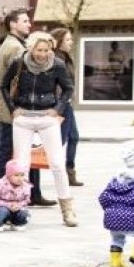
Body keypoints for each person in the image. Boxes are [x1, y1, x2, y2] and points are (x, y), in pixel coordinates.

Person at [2, 30, 78, 227]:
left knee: (57, 164)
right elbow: (3, 85)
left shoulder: (58, 65)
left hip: (47, 117)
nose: (43, 54)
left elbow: (68, 88)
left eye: (46, 50)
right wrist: (13, 109)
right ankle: (16, 208)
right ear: (31, 48)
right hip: (23, 117)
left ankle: (67, 210)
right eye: (39, 50)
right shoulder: (19, 63)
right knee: (22, 165)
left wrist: (58, 109)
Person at [0, 8, 48, 206]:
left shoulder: (12, 44)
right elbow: (22, 79)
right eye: (25, 21)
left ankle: (32, 193)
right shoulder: (15, 48)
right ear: (13, 24)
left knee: (20, 151)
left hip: (11, 108)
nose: (29, 24)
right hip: (14, 109)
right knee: (7, 152)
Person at [50, 27, 84, 186]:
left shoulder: (66, 57)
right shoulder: (56, 59)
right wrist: (59, 106)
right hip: (61, 104)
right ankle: (60, 172)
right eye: (68, 40)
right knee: (60, 140)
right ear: (59, 42)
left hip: (67, 103)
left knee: (73, 137)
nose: (71, 42)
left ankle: (69, 171)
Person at [0, 158, 32, 231]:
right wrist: (8, 205)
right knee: (2, 211)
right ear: (9, 175)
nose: (20, 178)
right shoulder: (0, 184)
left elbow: (27, 200)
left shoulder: (25, 186)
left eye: (22, 175)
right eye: (16, 175)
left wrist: (19, 205)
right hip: (2, 206)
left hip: (16, 207)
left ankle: (17, 223)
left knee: (24, 212)